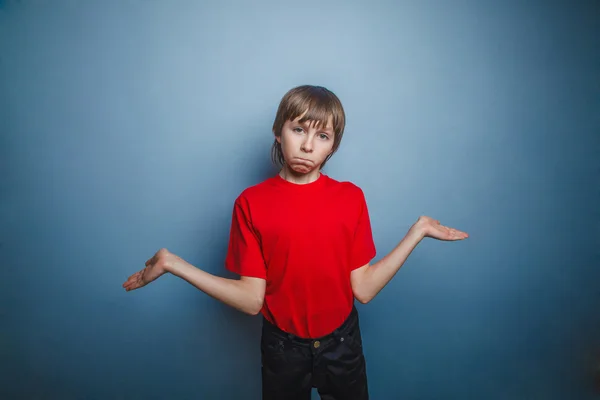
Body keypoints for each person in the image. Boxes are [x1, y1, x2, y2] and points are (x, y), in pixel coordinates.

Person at [122, 85, 469, 399]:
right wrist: (175, 265)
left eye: (322, 136)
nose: (307, 145)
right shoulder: (251, 203)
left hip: (342, 342)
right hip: (282, 348)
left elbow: (362, 289)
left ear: (334, 145)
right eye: (298, 129)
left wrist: (416, 233)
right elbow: (250, 300)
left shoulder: (350, 198)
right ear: (278, 132)